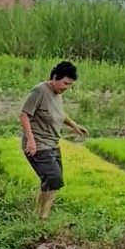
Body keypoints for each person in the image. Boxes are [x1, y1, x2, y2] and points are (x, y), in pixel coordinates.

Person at [19, 61, 87, 219]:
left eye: (70, 85)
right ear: (55, 77)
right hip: (39, 145)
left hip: (52, 144)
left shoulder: (57, 94)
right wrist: (31, 140)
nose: (66, 88)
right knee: (55, 178)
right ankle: (44, 216)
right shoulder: (39, 91)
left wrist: (74, 125)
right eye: (65, 83)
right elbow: (23, 115)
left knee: (49, 181)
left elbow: (60, 114)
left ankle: (38, 213)